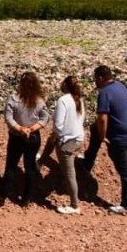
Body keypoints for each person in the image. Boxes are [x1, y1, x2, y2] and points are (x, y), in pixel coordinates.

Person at [83, 65, 127, 215]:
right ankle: (86, 164)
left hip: (120, 136)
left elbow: (102, 118)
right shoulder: (120, 86)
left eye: (95, 79)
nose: (94, 82)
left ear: (100, 78)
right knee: (95, 130)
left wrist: (102, 137)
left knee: (125, 171)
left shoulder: (105, 93)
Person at [0, 71, 50, 207]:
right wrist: (31, 129)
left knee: (11, 166)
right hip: (33, 137)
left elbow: (8, 118)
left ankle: (2, 196)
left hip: (16, 136)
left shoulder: (13, 99)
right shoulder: (39, 101)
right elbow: (45, 118)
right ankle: (26, 199)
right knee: (30, 167)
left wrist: (21, 129)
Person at [50, 76, 85, 215]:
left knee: (70, 174)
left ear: (65, 85)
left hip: (67, 141)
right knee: (71, 172)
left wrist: (58, 137)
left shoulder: (63, 100)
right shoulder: (79, 100)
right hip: (78, 139)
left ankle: (74, 205)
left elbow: (58, 125)